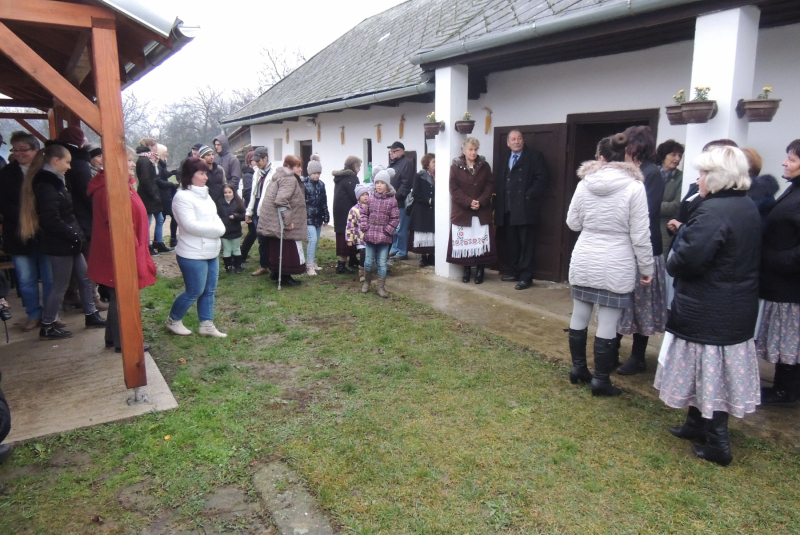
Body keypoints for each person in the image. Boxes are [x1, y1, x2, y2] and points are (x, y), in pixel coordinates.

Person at [655, 146, 761, 466]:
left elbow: (686, 261)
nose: (698, 179)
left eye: (702, 173)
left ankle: (718, 443)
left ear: (717, 178)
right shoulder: (744, 206)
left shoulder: (713, 211)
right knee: (703, 369)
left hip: (712, 306)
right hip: (731, 305)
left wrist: (675, 252)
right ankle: (695, 423)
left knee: (710, 371)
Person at [566, 134, 653, 396]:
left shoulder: (584, 184)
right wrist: (647, 268)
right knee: (608, 321)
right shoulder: (635, 187)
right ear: (626, 156)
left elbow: (573, 223)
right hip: (617, 259)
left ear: (601, 157)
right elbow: (640, 234)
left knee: (579, 314)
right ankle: (601, 380)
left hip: (585, 254)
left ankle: (579, 368)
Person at [19, 144, 106, 340]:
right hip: (60, 244)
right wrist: (74, 234)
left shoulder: (57, 181)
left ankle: (91, 314)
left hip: (70, 241)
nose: (69, 166)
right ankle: (48, 324)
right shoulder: (46, 185)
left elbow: (66, 213)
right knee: (60, 285)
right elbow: (51, 219)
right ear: (55, 161)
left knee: (85, 278)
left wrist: (76, 235)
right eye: (67, 162)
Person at [87, 148, 156, 352]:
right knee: (123, 296)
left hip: (126, 249)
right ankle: (125, 342)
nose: (133, 164)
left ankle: (112, 338)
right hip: (119, 253)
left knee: (118, 295)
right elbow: (118, 226)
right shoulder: (111, 190)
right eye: (129, 160)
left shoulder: (121, 185)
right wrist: (132, 253)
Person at [614, 125, 667, 376]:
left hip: (644, 247)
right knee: (619, 301)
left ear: (637, 146)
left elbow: (648, 212)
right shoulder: (626, 171)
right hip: (623, 246)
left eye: (629, 144)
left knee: (641, 305)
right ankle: (611, 350)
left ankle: (638, 357)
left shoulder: (652, 172)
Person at [756, 139, 800, 407]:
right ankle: (784, 387)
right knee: (788, 339)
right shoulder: (793, 189)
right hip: (780, 280)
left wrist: (777, 259)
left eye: (792, 159)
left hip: (791, 283)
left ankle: (787, 391)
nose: (785, 162)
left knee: (791, 340)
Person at [165, 157, 227, 338]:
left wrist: (219, 228)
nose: (205, 177)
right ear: (190, 176)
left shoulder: (205, 195)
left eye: (206, 173)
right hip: (192, 253)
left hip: (211, 251)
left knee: (209, 290)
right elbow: (189, 225)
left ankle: (206, 325)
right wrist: (217, 231)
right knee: (194, 291)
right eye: (201, 173)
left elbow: (215, 217)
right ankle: (173, 320)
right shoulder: (181, 197)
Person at [0, 131, 52, 331]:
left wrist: (41, 217)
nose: (20, 154)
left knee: (49, 278)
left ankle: (50, 314)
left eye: (25, 150)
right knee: (26, 278)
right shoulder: (6, 173)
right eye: (16, 150)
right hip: (18, 233)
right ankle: (33, 314)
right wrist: (24, 218)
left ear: (36, 150)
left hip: (45, 232)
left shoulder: (45, 170)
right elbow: (4, 202)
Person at [495, 129, 549, 290]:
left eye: (519, 138)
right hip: (508, 209)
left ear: (523, 141)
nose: (516, 141)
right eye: (513, 139)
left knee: (527, 245)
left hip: (526, 209)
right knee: (512, 243)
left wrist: (529, 195)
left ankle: (526, 277)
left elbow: (543, 178)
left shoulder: (534, 156)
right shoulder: (505, 158)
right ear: (508, 142)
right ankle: (515, 272)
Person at [447, 137, 497, 285]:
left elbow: (490, 185)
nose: (473, 152)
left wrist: (480, 201)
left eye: (475, 149)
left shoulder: (484, 166)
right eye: (470, 149)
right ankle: (467, 270)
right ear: (464, 150)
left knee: (481, 241)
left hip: (482, 210)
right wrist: (469, 202)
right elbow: (453, 188)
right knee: (466, 243)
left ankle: (480, 270)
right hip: (463, 211)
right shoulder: (455, 167)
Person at [257, 155, 308, 287]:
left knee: (275, 248)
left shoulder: (278, 176)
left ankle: (275, 272)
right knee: (287, 249)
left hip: (273, 221)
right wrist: (288, 221)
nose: (300, 169)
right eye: (298, 166)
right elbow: (281, 200)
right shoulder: (288, 179)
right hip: (281, 221)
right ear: (289, 166)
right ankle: (286, 276)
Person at [360, 166, 399, 298]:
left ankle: (381, 287)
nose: (379, 185)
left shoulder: (392, 201)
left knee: (382, 263)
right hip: (370, 235)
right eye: (377, 183)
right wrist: (365, 226)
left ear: (387, 185)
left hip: (384, 237)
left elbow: (395, 218)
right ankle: (366, 282)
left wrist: (387, 231)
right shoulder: (370, 199)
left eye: (382, 183)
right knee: (368, 261)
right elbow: (364, 214)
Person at [245, 147, 275, 276]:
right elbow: (253, 193)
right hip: (257, 210)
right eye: (255, 161)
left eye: (259, 160)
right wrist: (249, 211)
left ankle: (274, 264)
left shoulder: (274, 173)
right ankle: (264, 266)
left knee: (270, 239)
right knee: (261, 239)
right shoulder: (257, 172)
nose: (256, 163)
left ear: (266, 158)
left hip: (268, 211)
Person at [135, 140, 165, 256]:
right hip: (147, 196)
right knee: (148, 221)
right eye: (153, 146)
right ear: (148, 147)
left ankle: (159, 242)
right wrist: (153, 194)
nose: (156, 148)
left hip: (152, 194)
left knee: (160, 218)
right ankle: (147, 246)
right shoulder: (144, 161)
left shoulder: (150, 159)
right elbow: (146, 180)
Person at [332, 156, 361, 274]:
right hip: (347, 213)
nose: (359, 169)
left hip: (339, 211)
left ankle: (353, 259)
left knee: (347, 234)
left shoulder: (340, 178)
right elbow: (355, 196)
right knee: (347, 235)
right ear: (354, 167)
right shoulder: (351, 178)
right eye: (358, 166)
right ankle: (341, 264)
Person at [387, 142, 414, 262]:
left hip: (401, 201)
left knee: (401, 228)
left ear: (402, 151)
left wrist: (397, 196)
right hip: (391, 201)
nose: (392, 154)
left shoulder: (406, 163)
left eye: (395, 151)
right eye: (391, 151)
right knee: (393, 227)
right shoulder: (393, 164)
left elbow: (406, 184)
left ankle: (402, 251)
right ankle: (394, 248)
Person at [408, 153, 435, 267]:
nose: (436, 164)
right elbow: (416, 193)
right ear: (427, 164)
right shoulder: (419, 176)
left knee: (433, 232)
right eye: (434, 162)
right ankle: (424, 257)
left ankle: (432, 256)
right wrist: (429, 200)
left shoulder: (440, 175)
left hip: (434, 210)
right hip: (421, 210)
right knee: (424, 233)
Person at [303, 154, 329, 276]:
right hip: (308, 217)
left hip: (318, 216)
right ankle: (309, 265)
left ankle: (312, 262)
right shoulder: (304, 184)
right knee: (312, 240)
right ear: (309, 173)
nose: (317, 175)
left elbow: (324, 201)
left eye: (318, 173)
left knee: (316, 240)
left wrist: (326, 216)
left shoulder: (321, 185)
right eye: (314, 173)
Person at [657, 139, 684, 252]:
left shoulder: (681, 177)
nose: (677, 159)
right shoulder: (652, 173)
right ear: (664, 155)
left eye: (679, 155)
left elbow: (677, 205)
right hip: (645, 226)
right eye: (673, 155)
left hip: (665, 228)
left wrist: (651, 206)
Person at [216, 184, 246, 274]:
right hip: (224, 231)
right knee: (227, 249)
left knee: (236, 248)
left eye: (229, 192)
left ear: (233, 193)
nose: (227, 194)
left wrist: (236, 216)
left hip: (236, 230)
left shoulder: (238, 203)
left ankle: (238, 266)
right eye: (225, 193)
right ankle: (228, 267)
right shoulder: (219, 203)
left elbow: (244, 216)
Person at [155, 144, 179, 249]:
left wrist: (172, 172)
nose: (167, 153)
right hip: (163, 194)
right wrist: (172, 185)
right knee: (164, 217)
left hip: (166, 193)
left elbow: (164, 176)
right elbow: (159, 180)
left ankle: (162, 240)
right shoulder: (158, 165)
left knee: (164, 218)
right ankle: (165, 240)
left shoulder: (162, 163)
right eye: (165, 151)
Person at [346, 184, 371, 282]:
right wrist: (349, 239)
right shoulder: (354, 210)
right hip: (360, 238)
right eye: (363, 195)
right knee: (363, 254)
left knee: (370, 256)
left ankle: (368, 272)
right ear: (358, 197)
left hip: (370, 237)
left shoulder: (371, 207)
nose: (365, 196)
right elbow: (350, 225)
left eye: (367, 194)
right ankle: (362, 273)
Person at [238, 151, 257, 263]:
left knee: (253, 233)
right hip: (251, 208)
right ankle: (241, 255)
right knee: (252, 233)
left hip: (254, 208)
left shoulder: (254, 173)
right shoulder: (248, 175)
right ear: (250, 162)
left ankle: (242, 255)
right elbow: (248, 193)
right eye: (254, 160)